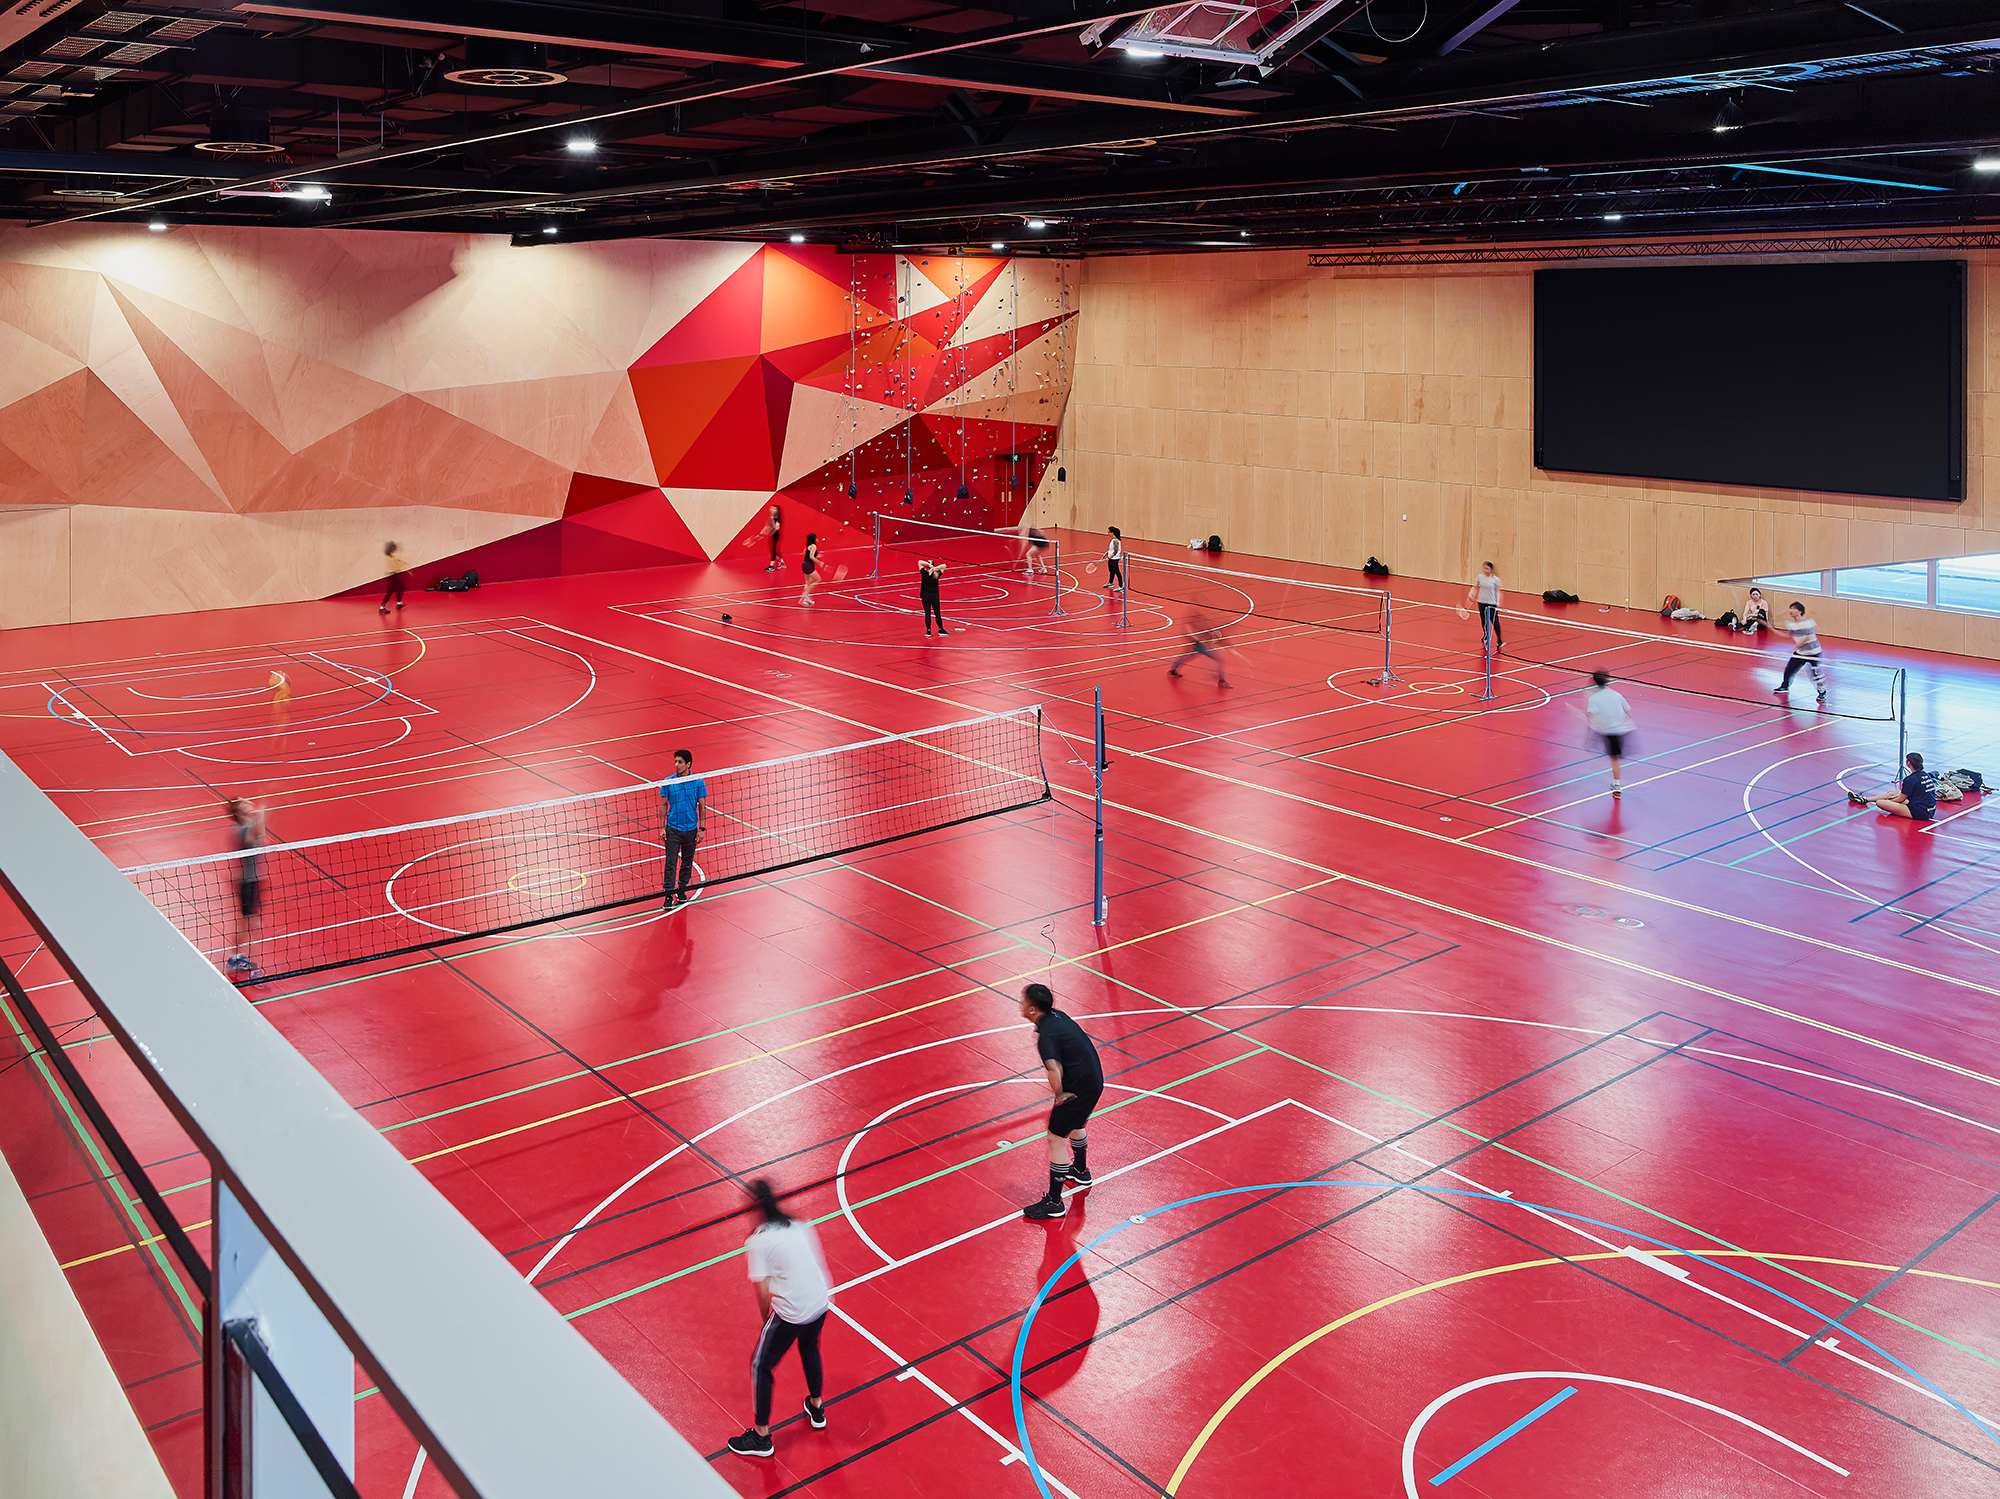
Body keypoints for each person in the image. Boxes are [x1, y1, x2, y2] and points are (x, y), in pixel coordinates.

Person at [726, 1179, 831, 1458]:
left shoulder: (758, 1240)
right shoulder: (798, 1224)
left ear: (753, 1208)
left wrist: (766, 1322)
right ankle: (817, 1407)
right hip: (820, 1301)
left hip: (792, 1311)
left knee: (761, 1365)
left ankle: (761, 1437)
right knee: (809, 1346)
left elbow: (761, 1289)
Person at [1019, 983, 1103, 1221]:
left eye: (1023, 1001)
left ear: (1033, 1009)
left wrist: (1060, 1095)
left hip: (1078, 1089)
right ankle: (1080, 1171)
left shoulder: (1046, 1036)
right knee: (1075, 1124)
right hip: (1094, 1081)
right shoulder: (1058, 1016)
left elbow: (1054, 1070)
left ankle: (1054, 1203)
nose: (1020, 1004)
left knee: (1055, 1138)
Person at [659, 749, 708, 908]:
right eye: (675, 761)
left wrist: (701, 828)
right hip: (673, 830)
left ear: (688, 764)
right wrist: (662, 827)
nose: (676, 765)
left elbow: (702, 806)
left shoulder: (698, 782)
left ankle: (681, 889)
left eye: (680, 762)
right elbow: (663, 804)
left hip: (691, 830)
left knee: (687, 862)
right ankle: (668, 894)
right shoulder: (668, 782)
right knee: (670, 863)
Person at [224, 797, 264, 977]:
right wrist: (262, 816)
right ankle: (241, 961)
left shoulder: (250, 823)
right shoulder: (241, 830)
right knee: (250, 923)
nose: (248, 801)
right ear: (239, 811)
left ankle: (238, 958)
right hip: (247, 882)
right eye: (243, 802)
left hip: (255, 880)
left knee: (249, 922)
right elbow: (251, 837)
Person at [1584, 669, 1637, 796]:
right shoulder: (1617, 695)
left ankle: (1617, 784)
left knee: (1611, 756)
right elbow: (1628, 713)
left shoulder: (1593, 699)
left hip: (1607, 731)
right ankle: (1617, 783)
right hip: (1622, 730)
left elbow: (1592, 718)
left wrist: (1589, 735)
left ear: (1594, 682)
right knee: (1615, 758)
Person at [1849, 752, 1937, 821]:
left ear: (1908, 763)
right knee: (1895, 792)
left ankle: (1868, 800)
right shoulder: (1926, 775)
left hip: (1920, 813)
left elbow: (1901, 799)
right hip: (1930, 809)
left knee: (1880, 803)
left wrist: (1890, 801)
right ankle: (1865, 799)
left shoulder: (1910, 779)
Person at [1774, 601, 1826, 701]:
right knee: (1789, 670)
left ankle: (1822, 692)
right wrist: (1771, 628)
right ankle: (1784, 687)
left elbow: (1807, 637)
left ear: (1800, 612)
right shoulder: (1791, 625)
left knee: (1815, 674)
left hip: (1813, 652)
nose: (1791, 611)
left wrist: (1797, 645)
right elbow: (1787, 636)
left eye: (1794, 609)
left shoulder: (1808, 622)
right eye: (1790, 608)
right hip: (1800, 653)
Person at [1167, 610, 1230, 688]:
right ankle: (1221, 681)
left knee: (1186, 657)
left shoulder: (1202, 626)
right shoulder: (1195, 626)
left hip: (1197, 645)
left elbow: (1207, 637)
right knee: (1219, 658)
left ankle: (1173, 670)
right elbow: (1192, 635)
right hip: (1200, 646)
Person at [1465, 561, 1503, 653]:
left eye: (1487, 568)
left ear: (1491, 570)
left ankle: (1499, 639)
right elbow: (1475, 587)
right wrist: (1471, 594)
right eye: (1484, 568)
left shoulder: (1496, 580)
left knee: (1495, 622)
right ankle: (1486, 635)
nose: (1485, 570)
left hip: (1491, 603)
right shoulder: (1480, 577)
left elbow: (1497, 591)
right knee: (1483, 621)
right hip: (1481, 602)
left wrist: (1498, 602)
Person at [919, 558, 948, 636]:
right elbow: (944, 565)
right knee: (937, 613)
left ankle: (928, 631)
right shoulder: (936, 574)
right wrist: (935, 568)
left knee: (927, 614)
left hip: (925, 596)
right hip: (934, 596)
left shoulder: (924, 574)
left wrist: (929, 566)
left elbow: (920, 562)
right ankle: (941, 629)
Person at [379, 541, 407, 615]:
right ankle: (382, 607)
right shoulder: (392, 556)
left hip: (391, 575)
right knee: (391, 591)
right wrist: (403, 563)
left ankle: (399, 603)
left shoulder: (389, 555)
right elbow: (396, 565)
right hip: (393, 575)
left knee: (400, 587)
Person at [800, 532, 821, 607]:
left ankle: (806, 598)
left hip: (804, 564)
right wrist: (819, 562)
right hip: (809, 565)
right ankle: (804, 595)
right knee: (818, 579)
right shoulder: (813, 546)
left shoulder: (808, 545)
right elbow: (811, 556)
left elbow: (804, 553)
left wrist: (817, 556)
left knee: (808, 583)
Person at [764, 503, 783, 574]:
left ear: (777, 510)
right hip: (772, 534)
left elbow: (777, 528)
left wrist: (772, 520)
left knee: (773, 550)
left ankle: (771, 566)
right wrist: (764, 530)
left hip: (776, 535)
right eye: (771, 508)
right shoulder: (771, 516)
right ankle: (782, 562)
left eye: (773, 508)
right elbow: (768, 525)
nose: (771, 509)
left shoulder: (777, 518)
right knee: (774, 549)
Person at [1104, 527, 1125, 592]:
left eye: (1109, 532)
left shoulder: (1116, 541)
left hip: (1114, 558)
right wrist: (1107, 553)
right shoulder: (1113, 540)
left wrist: (1109, 557)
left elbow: (1115, 551)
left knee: (1117, 571)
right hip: (1111, 558)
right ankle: (1110, 583)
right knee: (1111, 570)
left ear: (1112, 533)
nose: (1108, 533)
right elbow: (1112, 549)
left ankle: (1120, 586)